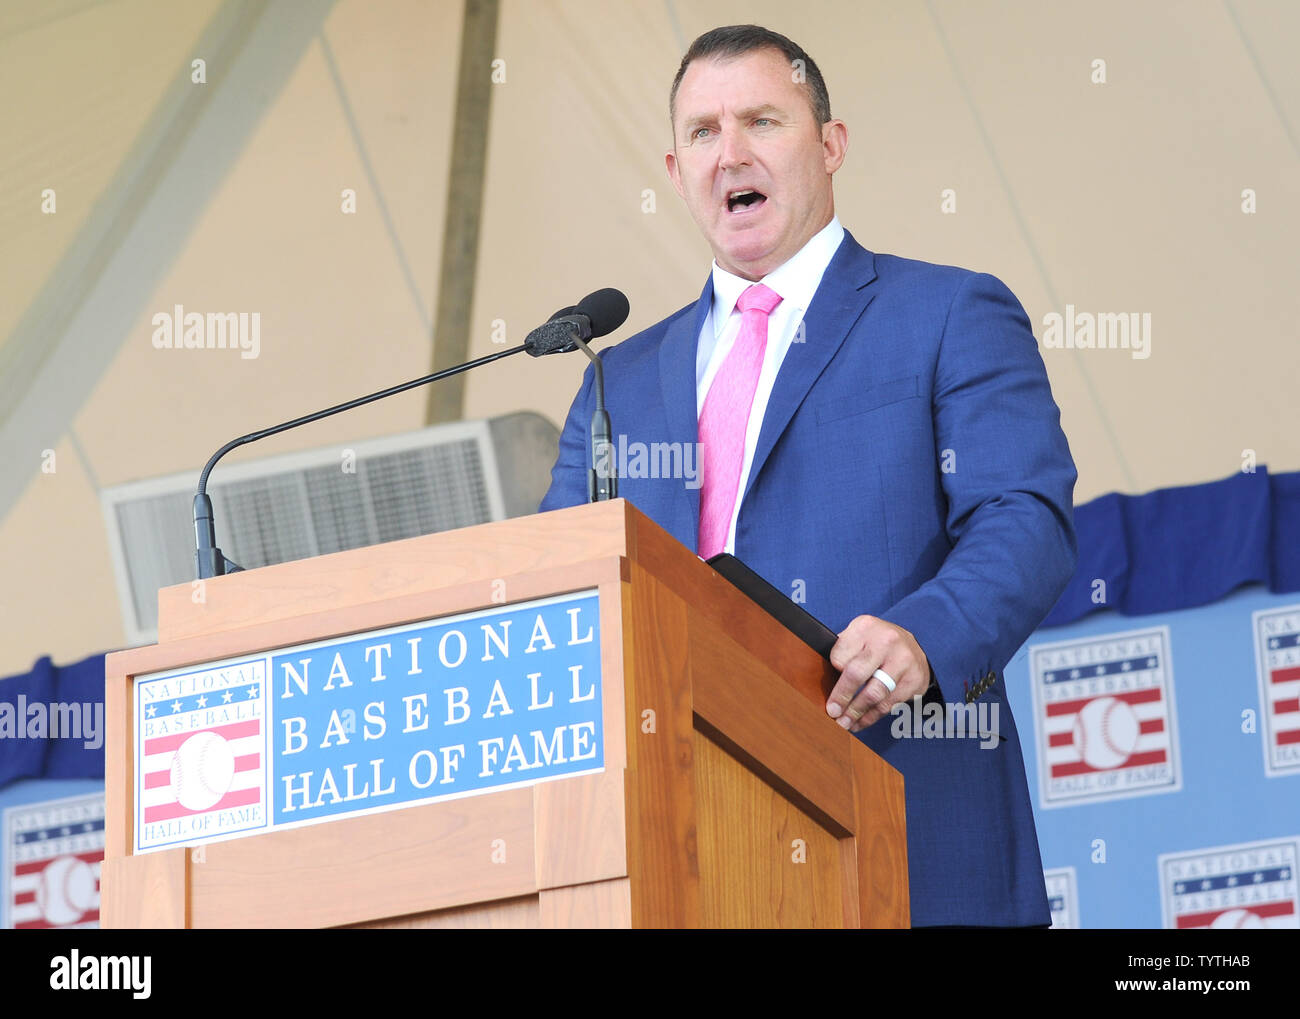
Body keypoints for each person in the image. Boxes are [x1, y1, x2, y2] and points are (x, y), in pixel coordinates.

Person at [539, 24, 1077, 928]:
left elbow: (1024, 517)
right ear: (675, 170)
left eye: (762, 121)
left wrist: (922, 636)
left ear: (830, 145)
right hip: (685, 854)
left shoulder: (945, 311)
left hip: (902, 816)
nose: (731, 153)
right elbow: (558, 597)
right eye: (704, 133)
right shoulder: (613, 384)